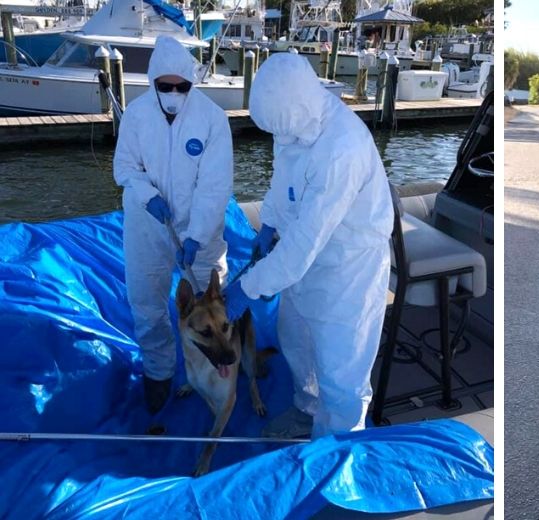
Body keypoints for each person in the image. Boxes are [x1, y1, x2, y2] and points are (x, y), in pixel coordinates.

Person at [223, 53, 394, 439]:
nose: (277, 139)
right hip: (308, 259)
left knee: (340, 367)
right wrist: (268, 223)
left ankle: (338, 448)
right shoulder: (295, 126)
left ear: (296, 109)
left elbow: (301, 247)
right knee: (297, 341)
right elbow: (284, 183)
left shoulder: (341, 148)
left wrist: (247, 288)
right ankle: (305, 414)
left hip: (348, 266)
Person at [113, 36, 233, 414]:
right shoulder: (135, 115)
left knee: (212, 305)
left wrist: (196, 236)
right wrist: (148, 195)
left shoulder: (213, 119)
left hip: (200, 231)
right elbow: (126, 169)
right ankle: (158, 371)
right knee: (147, 303)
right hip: (147, 225)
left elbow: (215, 187)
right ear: (153, 84)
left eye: (182, 86)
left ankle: (215, 367)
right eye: (165, 86)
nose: (173, 92)